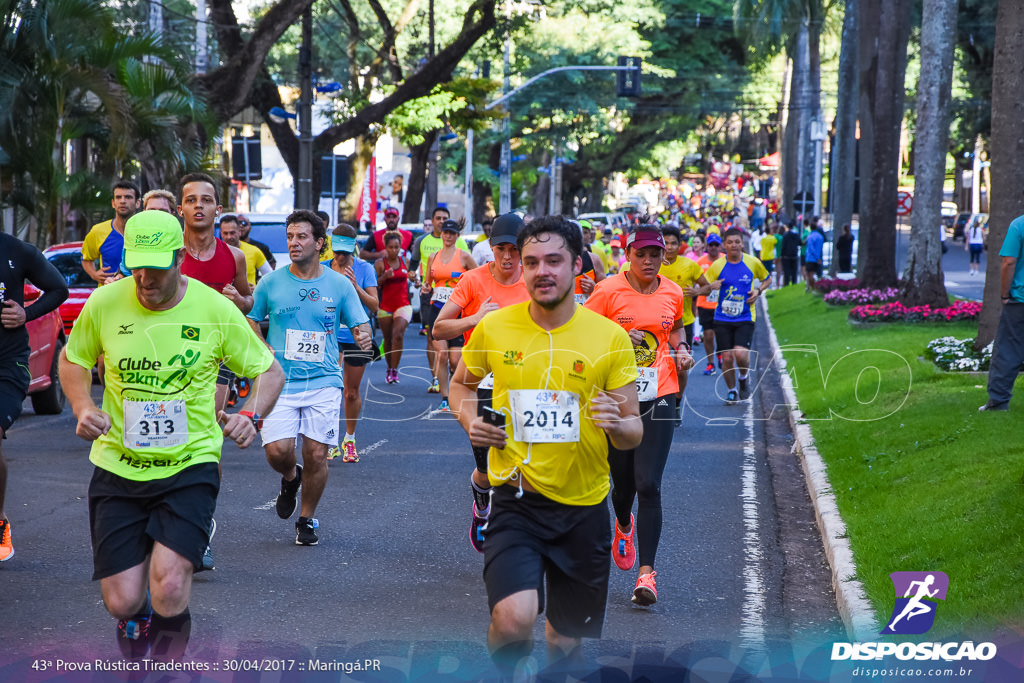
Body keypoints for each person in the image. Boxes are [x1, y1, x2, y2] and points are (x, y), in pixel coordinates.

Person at [59, 209, 284, 660]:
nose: (144, 277)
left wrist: (250, 415)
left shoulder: (212, 308)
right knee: (121, 600)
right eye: (136, 265)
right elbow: (73, 359)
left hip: (190, 463)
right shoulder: (105, 303)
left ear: (179, 257)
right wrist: (83, 406)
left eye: (156, 267)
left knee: (170, 583)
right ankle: (139, 622)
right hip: (118, 464)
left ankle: (164, 669)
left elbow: (269, 371)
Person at [449, 216, 642, 675]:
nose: (541, 271)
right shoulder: (496, 328)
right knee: (512, 620)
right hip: (516, 502)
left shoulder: (609, 338)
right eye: (532, 261)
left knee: (563, 640)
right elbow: (461, 385)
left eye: (554, 260)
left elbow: (635, 430)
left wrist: (618, 423)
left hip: (584, 508)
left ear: (577, 266)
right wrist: (471, 419)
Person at [247, 211, 372, 545]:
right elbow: (252, 319)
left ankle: (307, 518)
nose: (293, 242)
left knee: (317, 454)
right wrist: (262, 347)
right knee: (277, 451)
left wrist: (363, 335)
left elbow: (360, 321)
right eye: (289, 236)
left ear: (320, 243)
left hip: (324, 380)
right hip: (280, 383)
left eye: (301, 236)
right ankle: (290, 477)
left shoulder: (339, 284)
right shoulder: (271, 282)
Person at [585, 227, 693, 606]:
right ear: (628, 254)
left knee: (649, 483)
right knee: (624, 482)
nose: (648, 261)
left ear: (664, 256)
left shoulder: (674, 291)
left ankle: (647, 575)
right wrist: (616, 333)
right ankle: (623, 522)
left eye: (655, 254)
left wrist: (681, 350)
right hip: (617, 394)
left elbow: (676, 328)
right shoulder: (608, 290)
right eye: (641, 254)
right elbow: (581, 330)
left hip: (660, 393)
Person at [432, 213, 527, 553]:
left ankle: (515, 538)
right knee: (487, 470)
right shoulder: (473, 281)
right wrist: (475, 318)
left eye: (513, 249)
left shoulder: (534, 282)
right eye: (500, 248)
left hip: (523, 385)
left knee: (519, 465)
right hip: (478, 384)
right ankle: (482, 502)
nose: (507, 256)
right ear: (490, 248)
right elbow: (439, 329)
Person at [0, 233, 69, 561]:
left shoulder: (15, 250)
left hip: (6, 365)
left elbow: (59, 288)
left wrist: (26, 313)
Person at [177, 173, 253, 416]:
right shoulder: (169, 254)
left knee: (210, 422)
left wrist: (240, 301)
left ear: (218, 209)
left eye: (206, 200)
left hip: (218, 352)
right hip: (173, 350)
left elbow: (248, 302)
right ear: (180, 209)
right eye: (191, 200)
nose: (199, 205)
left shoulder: (234, 256)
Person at [327, 224, 379, 462]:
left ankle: (349, 438)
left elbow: (374, 305)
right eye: (337, 251)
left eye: (345, 252)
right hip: (328, 336)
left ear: (354, 248)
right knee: (329, 390)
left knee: (350, 392)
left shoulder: (364, 268)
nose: (341, 257)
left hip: (357, 335)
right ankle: (328, 440)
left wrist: (355, 285)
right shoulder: (323, 269)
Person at [700, 228, 770, 404]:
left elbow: (767, 278)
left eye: (737, 242)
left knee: (740, 354)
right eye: (730, 242)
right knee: (727, 357)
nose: (734, 245)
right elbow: (703, 284)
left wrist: (758, 290)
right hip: (722, 318)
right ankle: (731, 391)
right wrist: (711, 286)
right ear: (725, 244)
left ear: (742, 243)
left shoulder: (752, 262)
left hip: (745, 316)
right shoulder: (717, 265)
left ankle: (743, 377)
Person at [408, 207, 469, 389]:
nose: (441, 222)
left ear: (457, 235)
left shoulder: (463, 249)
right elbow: (415, 267)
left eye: (445, 219)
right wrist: (422, 284)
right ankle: (437, 380)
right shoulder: (422, 241)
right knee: (433, 342)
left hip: (457, 304)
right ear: (434, 222)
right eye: (439, 219)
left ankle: (454, 377)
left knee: (454, 357)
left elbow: (474, 278)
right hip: (434, 300)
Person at [422, 220, 477, 412]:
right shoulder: (433, 257)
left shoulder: (465, 257)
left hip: (457, 311)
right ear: (441, 234)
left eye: (452, 233)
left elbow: (478, 279)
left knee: (456, 359)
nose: (448, 236)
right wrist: (425, 287)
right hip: (437, 309)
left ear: (457, 236)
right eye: (445, 232)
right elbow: (428, 283)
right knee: (442, 354)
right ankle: (445, 397)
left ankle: (458, 389)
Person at [980, 199, 1024, 412]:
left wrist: (1005, 294)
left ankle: (998, 402)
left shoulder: (1018, 225)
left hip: (1020, 300)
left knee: (1008, 349)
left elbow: (1009, 262)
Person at [81, 180, 139, 285]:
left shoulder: (144, 231)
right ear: (113, 203)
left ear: (137, 203)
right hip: (108, 294)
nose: (122, 201)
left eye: (128, 197)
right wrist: (94, 274)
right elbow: (86, 259)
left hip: (139, 294)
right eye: (118, 197)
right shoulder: (98, 231)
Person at [375, 232, 414, 384]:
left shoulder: (406, 261)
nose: (394, 250)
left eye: (397, 247)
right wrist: (384, 277)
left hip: (403, 304)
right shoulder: (380, 263)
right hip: (385, 306)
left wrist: (415, 279)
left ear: (400, 248)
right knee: (388, 339)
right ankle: (389, 368)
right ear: (385, 247)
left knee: (398, 334)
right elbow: (374, 284)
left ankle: (395, 370)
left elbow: (413, 278)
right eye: (391, 247)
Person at [696, 234, 724, 374]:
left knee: (721, 333)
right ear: (707, 247)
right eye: (711, 245)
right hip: (705, 304)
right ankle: (710, 363)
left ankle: (720, 354)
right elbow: (695, 283)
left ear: (720, 246)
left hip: (723, 304)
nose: (713, 248)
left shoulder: (726, 260)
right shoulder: (700, 263)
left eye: (716, 245)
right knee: (708, 335)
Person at [220, 214, 272, 289]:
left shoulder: (254, 251)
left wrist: (259, 288)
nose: (229, 237)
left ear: (239, 231)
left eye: (232, 233)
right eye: (225, 233)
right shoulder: (214, 252)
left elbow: (269, 276)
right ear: (221, 233)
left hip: (249, 299)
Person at [779, 222, 802, 286]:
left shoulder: (786, 235)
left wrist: (782, 255)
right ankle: (794, 283)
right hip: (794, 255)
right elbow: (800, 243)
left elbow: (783, 246)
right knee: (794, 272)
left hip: (786, 256)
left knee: (787, 272)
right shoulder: (796, 234)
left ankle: (786, 284)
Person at [803, 222, 824, 291]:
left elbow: (811, 248)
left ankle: (811, 288)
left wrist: (816, 257)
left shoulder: (810, 237)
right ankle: (810, 287)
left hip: (810, 258)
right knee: (813, 274)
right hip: (817, 257)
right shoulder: (820, 236)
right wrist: (818, 257)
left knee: (809, 275)